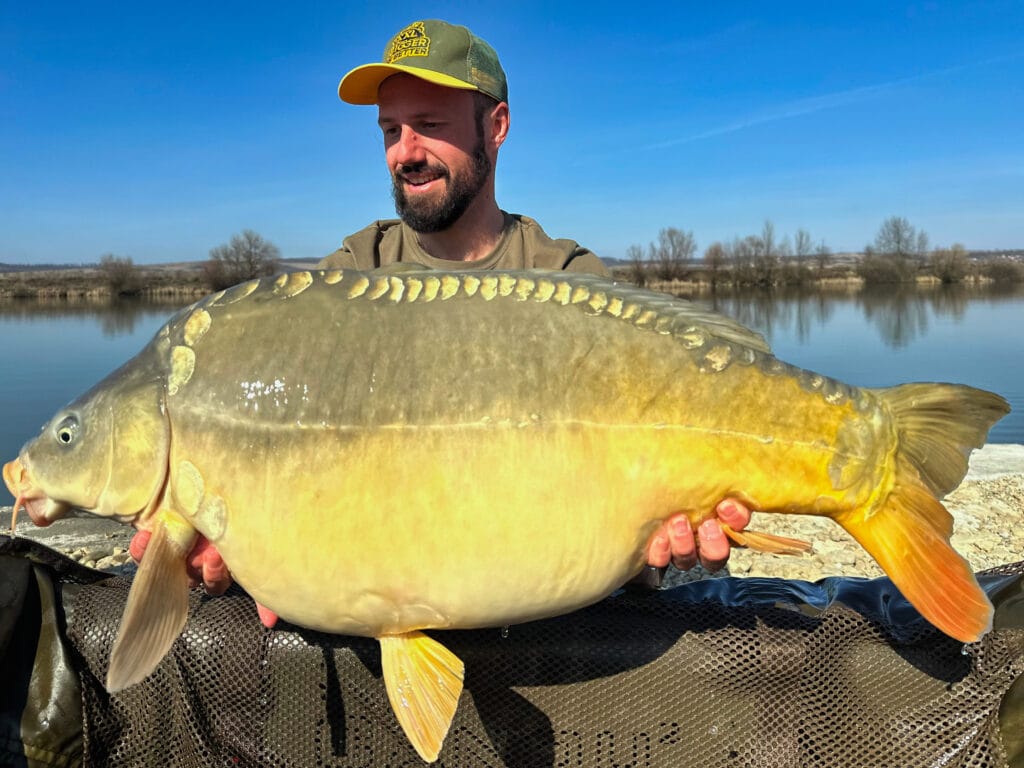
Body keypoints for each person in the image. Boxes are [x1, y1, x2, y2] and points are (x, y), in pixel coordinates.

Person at [131, 19, 754, 614]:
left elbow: (624, 536)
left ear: (497, 126)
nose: (406, 152)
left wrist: (663, 558)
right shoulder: (343, 282)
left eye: (428, 125)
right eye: (389, 131)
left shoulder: (569, 281)